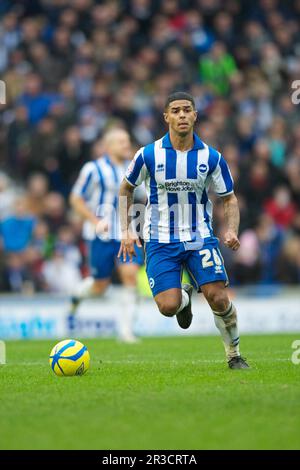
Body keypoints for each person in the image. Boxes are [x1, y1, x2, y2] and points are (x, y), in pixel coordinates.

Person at [119, 91, 249, 368]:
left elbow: (229, 197)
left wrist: (232, 230)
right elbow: (125, 188)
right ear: (166, 116)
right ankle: (184, 298)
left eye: (186, 110)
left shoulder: (211, 157)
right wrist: (126, 230)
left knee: (218, 296)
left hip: (199, 237)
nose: (181, 115)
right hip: (159, 239)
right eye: (175, 110)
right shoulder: (148, 154)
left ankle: (234, 355)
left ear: (195, 115)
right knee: (168, 307)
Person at [70, 128, 144, 343]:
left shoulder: (133, 168)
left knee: (130, 275)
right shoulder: (93, 169)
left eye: (127, 141)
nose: (126, 145)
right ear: (109, 146)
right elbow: (75, 198)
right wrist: (94, 221)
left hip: (124, 234)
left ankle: (126, 332)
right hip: (100, 234)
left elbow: (141, 195)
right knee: (100, 286)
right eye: (121, 142)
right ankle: (77, 294)